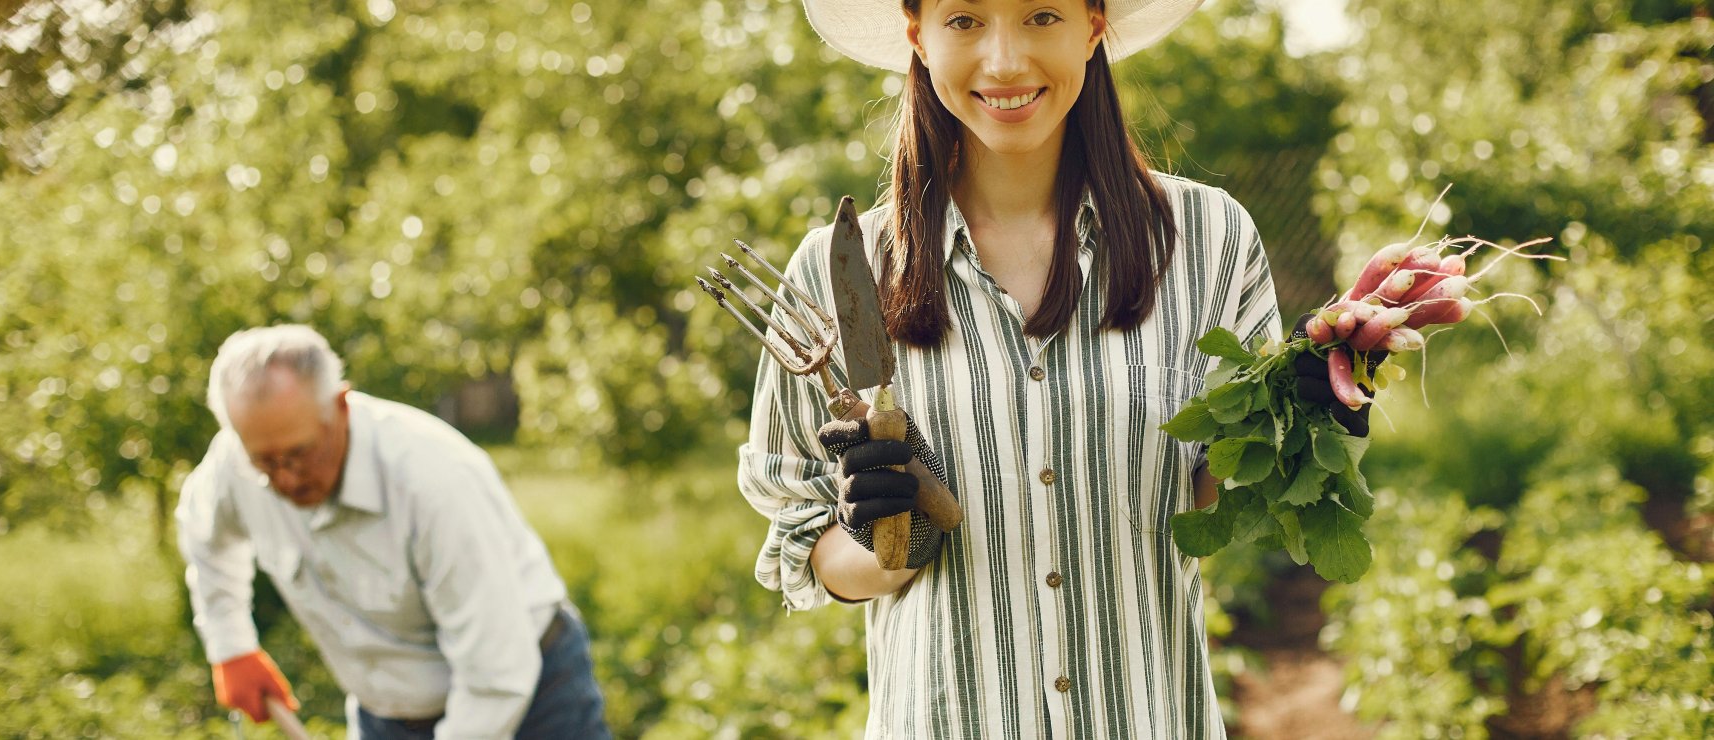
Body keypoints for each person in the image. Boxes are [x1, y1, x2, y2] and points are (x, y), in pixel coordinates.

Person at [736, 1, 1374, 736]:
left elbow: (1210, 506)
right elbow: (806, 536)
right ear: (918, 35)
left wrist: (1297, 420)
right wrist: (880, 541)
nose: (1005, 61)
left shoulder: (1207, 240)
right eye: (965, 20)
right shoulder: (836, 273)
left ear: (1094, 24)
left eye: (1041, 15)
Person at [175, 325, 610, 739]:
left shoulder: (433, 482)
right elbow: (204, 533)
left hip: (530, 696)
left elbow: (495, 673)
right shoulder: (235, 465)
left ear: (341, 407)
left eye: (299, 455)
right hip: (387, 713)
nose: (285, 479)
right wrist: (230, 646)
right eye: (265, 462)